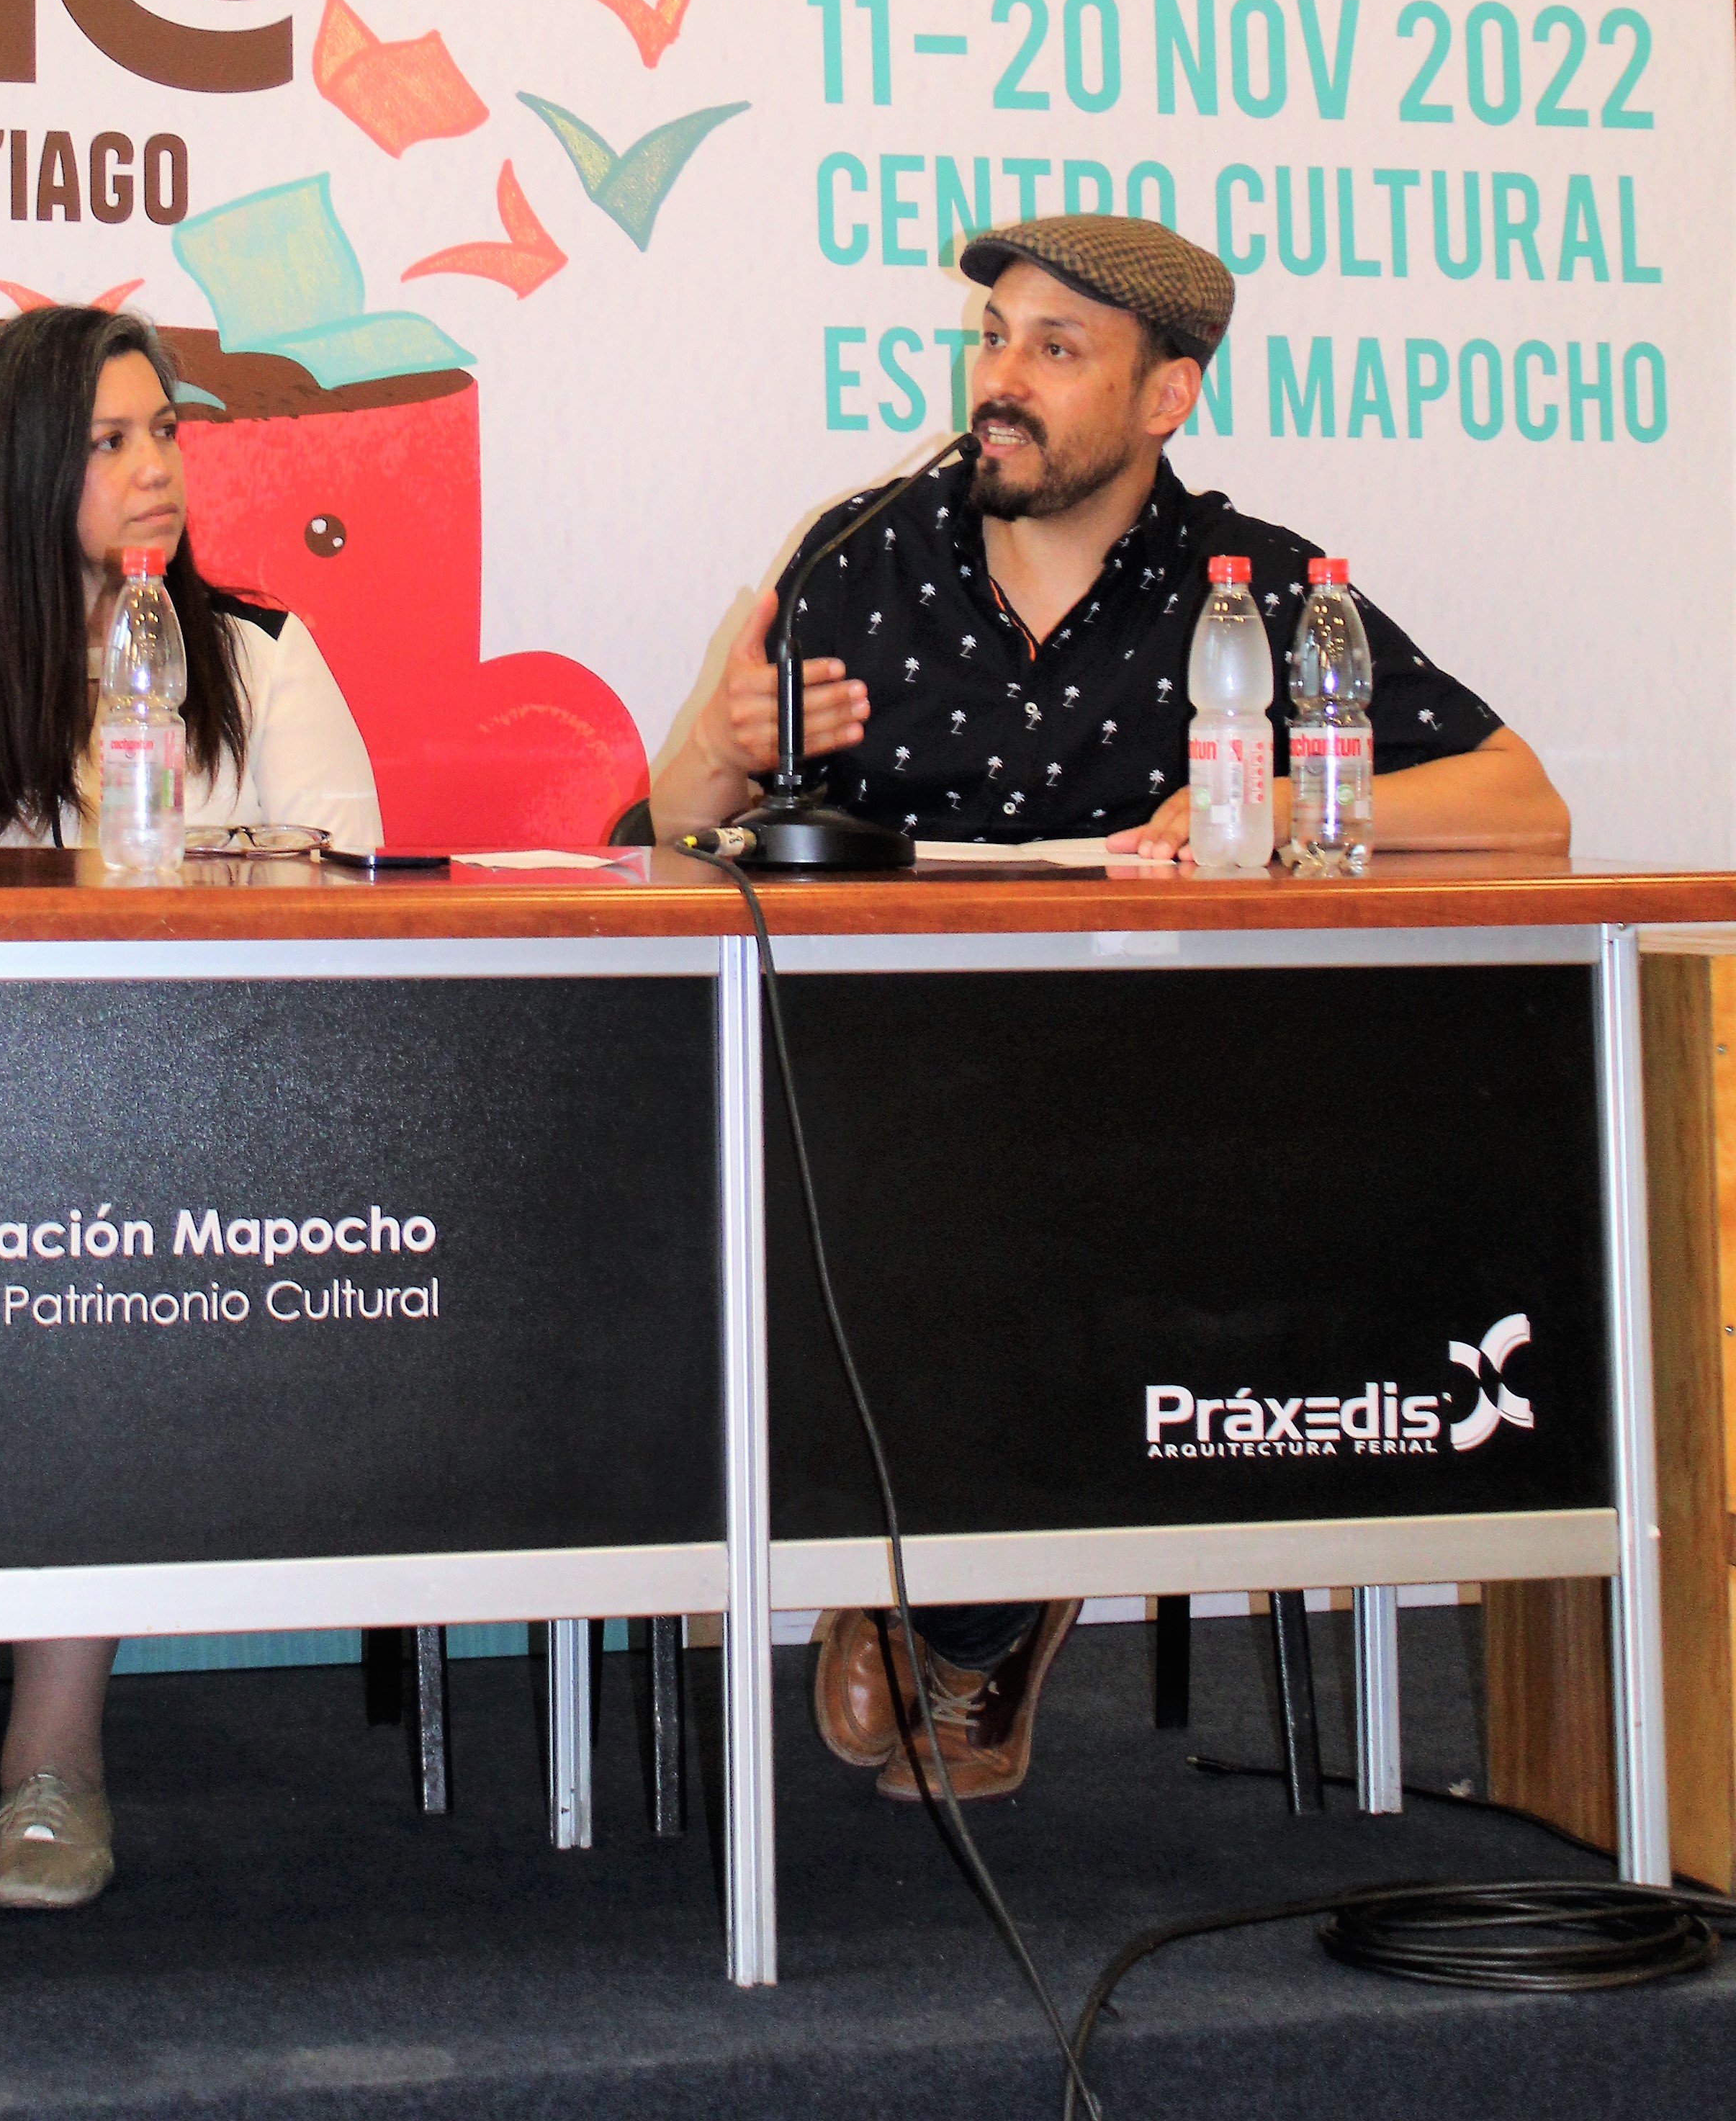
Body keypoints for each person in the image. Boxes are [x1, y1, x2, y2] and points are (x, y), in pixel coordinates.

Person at [649, 212, 1567, 1812]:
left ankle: (969, 1605)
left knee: (1067, 1193)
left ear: (1166, 397)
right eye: (993, 337)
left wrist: (1275, 789)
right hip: (873, 1087)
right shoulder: (862, 552)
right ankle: (972, 1586)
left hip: (1158, 1110)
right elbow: (669, 831)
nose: (999, 379)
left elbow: (1527, 808)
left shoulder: (1252, 588)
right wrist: (723, 751)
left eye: (1056, 349)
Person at [0, 304, 381, 1911]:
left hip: (218, 1126)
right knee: (68, 1230)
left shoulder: (259, 654)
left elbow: (354, 905)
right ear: (16, 472)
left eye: (166, 432)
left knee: (102, 1245)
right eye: (109, 442)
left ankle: (53, 1755)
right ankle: (48, 1750)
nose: (157, 468)